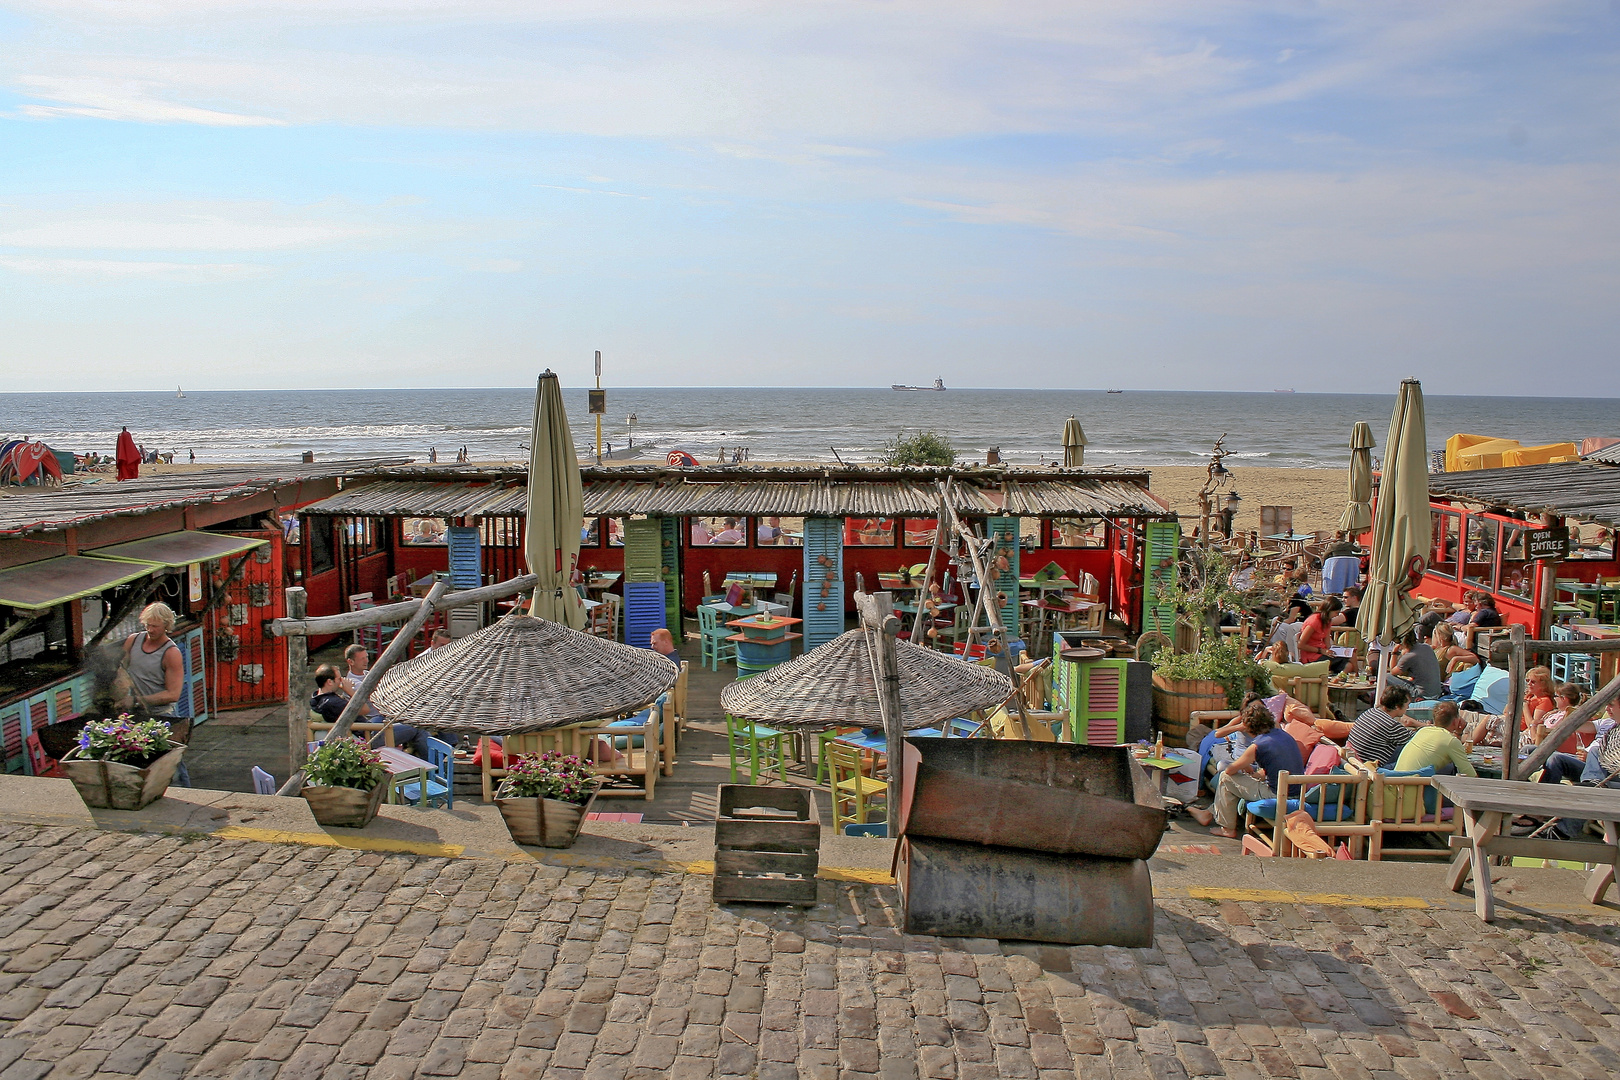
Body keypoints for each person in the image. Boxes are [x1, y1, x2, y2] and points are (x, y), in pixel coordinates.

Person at [1191, 698, 1305, 839]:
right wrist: (1253, 774)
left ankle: (1227, 828)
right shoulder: (1285, 736)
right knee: (1238, 780)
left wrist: (1245, 768)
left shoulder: (1258, 745)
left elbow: (1229, 771)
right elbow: (1274, 767)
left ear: (1250, 729)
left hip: (1278, 794)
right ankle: (1212, 814)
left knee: (1225, 778)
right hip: (1297, 791)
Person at [1525, 698, 1620, 839]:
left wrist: (1598, 759)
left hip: (1606, 774)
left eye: (1611, 705)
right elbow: (1574, 724)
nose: (1607, 709)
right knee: (1531, 750)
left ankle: (1561, 830)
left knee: (1565, 762)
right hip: (1588, 766)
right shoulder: (1608, 724)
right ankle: (1537, 809)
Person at [122, 602, 184, 718]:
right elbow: (121, 670)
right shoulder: (133, 640)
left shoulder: (171, 653)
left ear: (166, 625)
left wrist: (138, 700)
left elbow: (173, 694)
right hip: (133, 713)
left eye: (155, 626)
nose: (150, 630)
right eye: (147, 625)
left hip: (161, 714)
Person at [1395, 702, 1476, 777]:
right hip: (1415, 789)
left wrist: (1458, 732)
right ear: (1455, 721)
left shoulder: (1423, 731)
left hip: (1395, 786)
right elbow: (1470, 775)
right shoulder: (1450, 741)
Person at [1347, 686, 1418, 767]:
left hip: (1356, 759)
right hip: (1370, 767)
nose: (1408, 708)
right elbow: (1416, 739)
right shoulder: (1391, 725)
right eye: (1407, 705)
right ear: (1397, 706)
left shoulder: (1370, 712)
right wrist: (1423, 726)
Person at [1534, 683, 1594, 755]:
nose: (1553, 698)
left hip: (1543, 747)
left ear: (1563, 698)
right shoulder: (1561, 712)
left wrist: (1532, 725)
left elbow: (1543, 737)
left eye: (1555, 696)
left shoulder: (1569, 715)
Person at [1388, 629, 1442, 701]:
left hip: (1422, 695)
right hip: (1436, 692)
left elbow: (1393, 671)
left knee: (1386, 676)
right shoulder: (1427, 647)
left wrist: (1394, 652)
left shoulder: (1409, 656)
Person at [1297, 597, 1346, 671]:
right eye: (1336, 613)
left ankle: (1354, 676)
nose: (1337, 615)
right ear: (1329, 610)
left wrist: (1337, 651)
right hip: (1312, 655)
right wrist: (1321, 651)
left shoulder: (1327, 621)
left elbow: (1327, 643)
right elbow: (1300, 645)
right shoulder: (1314, 621)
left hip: (1322, 652)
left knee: (1350, 658)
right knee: (1346, 664)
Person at [1519, 665, 1555, 742]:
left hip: (1522, 731)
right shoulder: (1530, 696)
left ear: (1543, 685)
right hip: (1513, 724)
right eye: (1527, 680)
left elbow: (1532, 726)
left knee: (1489, 719)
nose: (1529, 684)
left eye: (1533, 682)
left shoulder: (1545, 701)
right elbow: (1506, 711)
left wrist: (1525, 706)